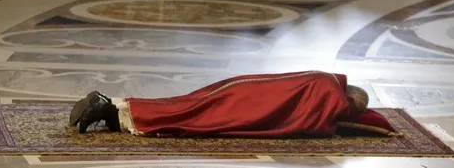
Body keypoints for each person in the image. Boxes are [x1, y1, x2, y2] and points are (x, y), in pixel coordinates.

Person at [69, 71, 369, 136]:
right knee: (193, 116)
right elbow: (312, 121)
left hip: (244, 87)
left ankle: (114, 109)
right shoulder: (330, 92)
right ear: (348, 98)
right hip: (251, 105)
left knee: (187, 103)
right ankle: (109, 108)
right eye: (352, 107)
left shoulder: (322, 77)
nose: (347, 112)